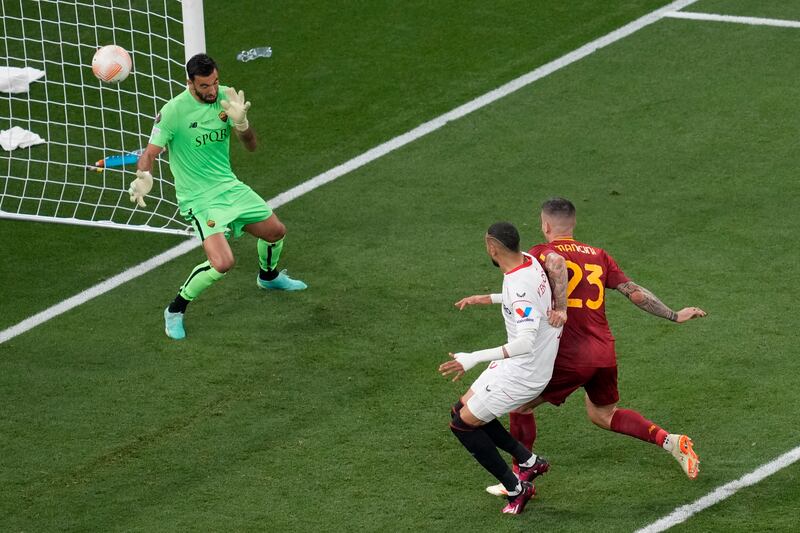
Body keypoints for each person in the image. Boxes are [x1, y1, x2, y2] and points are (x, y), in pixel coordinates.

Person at [482, 197, 707, 497]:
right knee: (603, 414)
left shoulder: (540, 253)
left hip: (569, 354)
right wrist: (674, 315)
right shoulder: (599, 255)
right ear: (573, 224)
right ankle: (671, 440)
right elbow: (635, 293)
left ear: (545, 225)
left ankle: (518, 478)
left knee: (519, 405)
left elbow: (540, 276)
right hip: (603, 351)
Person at [128, 53, 306, 340]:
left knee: (276, 232)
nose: (212, 90)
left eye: (215, 82)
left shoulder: (227, 98)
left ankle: (268, 277)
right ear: (190, 83)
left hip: (229, 187)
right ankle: (175, 310)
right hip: (198, 198)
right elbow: (149, 154)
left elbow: (251, 147)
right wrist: (143, 176)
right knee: (222, 263)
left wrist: (243, 125)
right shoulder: (173, 111)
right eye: (204, 86)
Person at [438, 222, 562, 515]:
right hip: (520, 365)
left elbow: (525, 342)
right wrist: (490, 298)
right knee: (461, 411)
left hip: (524, 371)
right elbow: (530, 301)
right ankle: (530, 462)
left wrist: (473, 357)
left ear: (492, 248)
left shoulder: (518, 286)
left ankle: (517, 488)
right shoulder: (527, 261)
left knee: (462, 425)